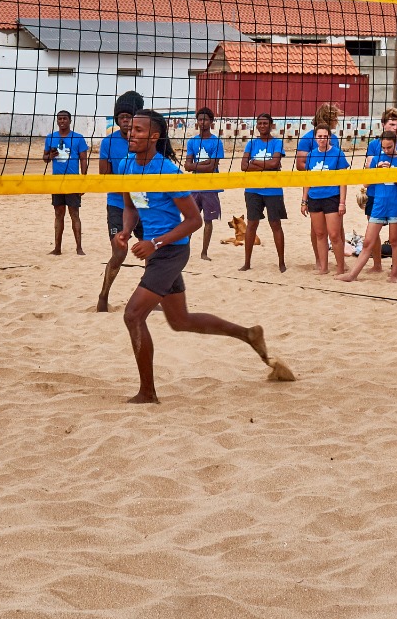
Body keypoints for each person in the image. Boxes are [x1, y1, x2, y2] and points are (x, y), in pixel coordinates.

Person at [114, 109, 282, 403]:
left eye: (139, 130)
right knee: (180, 321)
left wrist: (155, 242)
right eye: (131, 129)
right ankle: (248, 334)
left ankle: (147, 393)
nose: (132, 133)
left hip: (171, 251)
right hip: (155, 249)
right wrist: (127, 231)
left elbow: (193, 221)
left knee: (133, 315)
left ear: (155, 136)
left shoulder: (167, 172)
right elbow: (130, 205)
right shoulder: (128, 164)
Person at [96, 91, 144, 311]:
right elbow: (105, 178)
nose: (125, 120)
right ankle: (104, 295)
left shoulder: (146, 140)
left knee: (152, 252)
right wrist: (127, 184)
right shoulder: (108, 143)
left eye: (129, 116)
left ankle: (150, 299)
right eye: (121, 116)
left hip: (144, 203)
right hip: (118, 204)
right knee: (119, 252)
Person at [338, 130, 397, 283]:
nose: (386, 150)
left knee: (395, 241)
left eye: (389, 147)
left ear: (395, 143)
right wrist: (377, 171)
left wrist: (392, 173)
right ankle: (352, 275)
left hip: (396, 204)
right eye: (384, 147)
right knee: (368, 241)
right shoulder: (376, 159)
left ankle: (394, 275)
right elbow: (365, 183)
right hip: (379, 203)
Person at [240, 113, 288, 273]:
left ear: (271, 125)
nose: (262, 126)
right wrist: (267, 166)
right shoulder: (251, 144)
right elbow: (243, 166)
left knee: (275, 224)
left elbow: (275, 162)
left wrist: (254, 162)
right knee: (252, 224)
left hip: (273, 189)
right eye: (259, 123)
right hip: (252, 189)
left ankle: (281, 263)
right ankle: (247, 263)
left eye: (265, 123)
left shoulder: (276, 143)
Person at [302, 124, 350, 275]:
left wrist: (342, 202)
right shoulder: (311, 155)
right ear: (315, 138)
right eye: (319, 136)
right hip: (315, 198)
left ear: (329, 137)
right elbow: (307, 180)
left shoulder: (338, 154)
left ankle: (340, 268)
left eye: (325, 136)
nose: (322, 139)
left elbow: (343, 181)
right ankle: (324, 268)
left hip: (332, 197)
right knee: (320, 234)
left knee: (334, 235)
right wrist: (304, 201)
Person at [42, 109, 90, 257]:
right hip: (56, 181)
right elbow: (44, 158)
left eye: (64, 119)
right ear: (57, 121)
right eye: (60, 119)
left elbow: (83, 159)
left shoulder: (78, 138)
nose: (62, 121)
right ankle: (57, 248)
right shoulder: (51, 138)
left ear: (70, 121)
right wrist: (50, 155)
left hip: (73, 181)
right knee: (58, 213)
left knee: (74, 213)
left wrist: (83, 179)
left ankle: (79, 248)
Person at [183, 106, 225, 261]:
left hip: (210, 186)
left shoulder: (216, 142)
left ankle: (204, 252)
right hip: (195, 185)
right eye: (200, 119)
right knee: (190, 220)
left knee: (208, 220)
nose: (202, 122)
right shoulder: (192, 141)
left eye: (205, 119)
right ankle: (183, 252)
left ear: (211, 122)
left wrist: (195, 165)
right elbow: (187, 166)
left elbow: (212, 167)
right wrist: (204, 164)